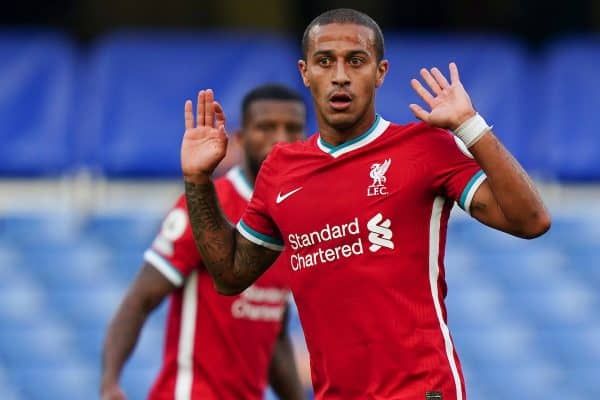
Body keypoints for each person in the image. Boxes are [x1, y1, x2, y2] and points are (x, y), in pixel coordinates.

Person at [180, 8, 551, 400]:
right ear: (305, 73)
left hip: (421, 391)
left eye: (355, 61)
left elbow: (531, 220)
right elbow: (230, 274)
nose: (340, 75)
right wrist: (198, 180)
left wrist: (470, 126)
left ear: (380, 72)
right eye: (325, 61)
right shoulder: (280, 170)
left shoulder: (423, 148)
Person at [101, 84, 308, 400]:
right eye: (266, 127)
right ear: (239, 139)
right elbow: (140, 300)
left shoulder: (296, 217)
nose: (279, 138)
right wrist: (110, 382)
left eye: (291, 128)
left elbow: (274, 333)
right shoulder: (207, 205)